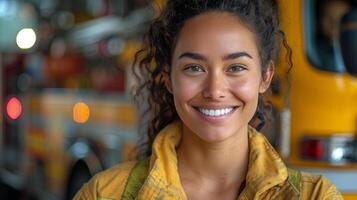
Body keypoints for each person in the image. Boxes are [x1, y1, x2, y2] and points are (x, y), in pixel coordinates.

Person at [74, 0, 342, 199]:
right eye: (194, 68)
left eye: (236, 67)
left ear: (265, 77)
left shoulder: (316, 195)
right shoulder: (104, 193)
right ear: (168, 77)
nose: (215, 90)